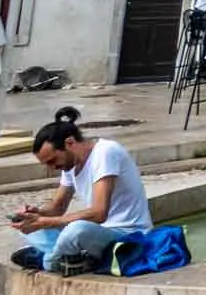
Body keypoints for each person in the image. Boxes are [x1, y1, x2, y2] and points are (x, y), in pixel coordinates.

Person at [11, 107, 152, 273]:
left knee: (77, 231)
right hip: (99, 233)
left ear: (69, 143)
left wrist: (47, 222)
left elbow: (99, 213)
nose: (53, 168)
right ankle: (67, 255)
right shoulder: (70, 165)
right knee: (28, 227)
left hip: (127, 235)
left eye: (53, 160)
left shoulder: (105, 152)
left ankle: (49, 261)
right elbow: (58, 207)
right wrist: (36, 214)